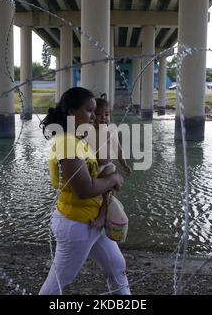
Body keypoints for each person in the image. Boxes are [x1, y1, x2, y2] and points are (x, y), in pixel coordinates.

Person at [38, 87, 131, 295]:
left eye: (95, 111)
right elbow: (84, 189)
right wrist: (113, 178)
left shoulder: (77, 140)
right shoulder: (67, 144)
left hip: (91, 219)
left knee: (117, 267)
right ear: (71, 112)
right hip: (77, 224)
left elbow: (92, 177)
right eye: (89, 110)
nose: (93, 117)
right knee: (58, 283)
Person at [90, 98, 131, 230]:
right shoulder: (87, 131)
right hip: (91, 168)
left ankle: (103, 216)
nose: (103, 118)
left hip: (106, 167)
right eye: (99, 114)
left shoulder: (110, 132)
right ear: (91, 115)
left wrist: (124, 165)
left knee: (107, 193)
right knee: (93, 193)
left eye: (106, 114)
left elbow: (118, 149)